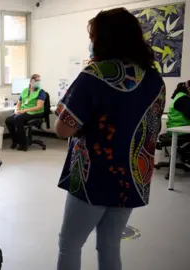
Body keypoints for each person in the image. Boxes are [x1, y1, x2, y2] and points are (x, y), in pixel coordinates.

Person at [54, 8, 165, 270]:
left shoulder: (95, 74)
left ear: (103, 39)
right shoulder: (154, 78)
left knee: (70, 243)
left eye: (93, 36)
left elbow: (62, 129)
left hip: (95, 175)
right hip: (132, 177)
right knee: (110, 245)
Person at [5, 74, 46, 151]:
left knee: (18, 118)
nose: (38, 82)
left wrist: (23, 111)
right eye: (36, 80)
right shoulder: (24, 91)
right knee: (8, 120)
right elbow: (19, 103)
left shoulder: (41, 92)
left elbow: (39, 106)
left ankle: (22, 143)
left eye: (39, 80)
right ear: (31, 81)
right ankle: (15, 140)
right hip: (24, 112)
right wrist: (16, 110)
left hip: (35, 112)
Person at [165, 81, 190, 162]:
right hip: (178, 130)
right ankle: (183, 151)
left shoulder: (181, 97)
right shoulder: (183, 99)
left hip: (178, 128)